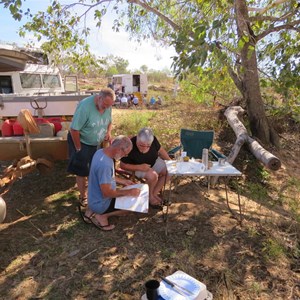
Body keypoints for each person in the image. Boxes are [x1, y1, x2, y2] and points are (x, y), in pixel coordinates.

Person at [67, 88, 114, 207]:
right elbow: (74, 129)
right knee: (82, 170)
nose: (107, 108)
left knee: (95, 168)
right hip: (81, 141)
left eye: (109, 105)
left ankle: (95, 191)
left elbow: (109, 122)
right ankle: (83, 196)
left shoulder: (107, 105)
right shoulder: (85, 107)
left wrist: (108, 132)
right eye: (105, 105)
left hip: (95, 142)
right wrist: (78, 148)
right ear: (99, 98)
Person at [82, 136, 141, 231]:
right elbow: (107, 193)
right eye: (125, 154)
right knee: (130, 207)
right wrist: (129, 192)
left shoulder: (100, 152)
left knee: (125, 196)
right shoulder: (105, 165)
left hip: (93, 197)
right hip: (101, 203)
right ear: (119, 149)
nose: (124, 156)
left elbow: (105, 177)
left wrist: (123, 181)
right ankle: (102, 216)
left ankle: (91, 209)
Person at [120, 127, 171, 206]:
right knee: (153, 176)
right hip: (135, 166)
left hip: (153, 162)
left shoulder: (152, 139)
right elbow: (122, 165)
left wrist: (170, 161)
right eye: (142, 145)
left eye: (148, 146)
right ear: (137, 139)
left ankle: (153, 193)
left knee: (170, 170)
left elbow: (160, 150)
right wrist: (139, 167)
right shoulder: (129, 144)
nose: (145, 148)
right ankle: (150, 197)